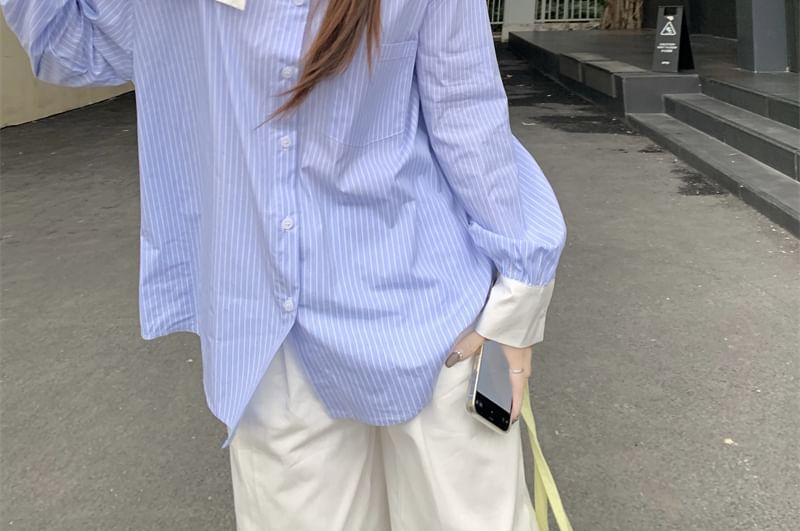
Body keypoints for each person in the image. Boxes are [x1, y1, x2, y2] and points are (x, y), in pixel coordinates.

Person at [3, 0, 566, 529]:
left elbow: (467, 108)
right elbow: (69, 45)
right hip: (272, 336)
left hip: (436, 323)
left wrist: (517, 300)